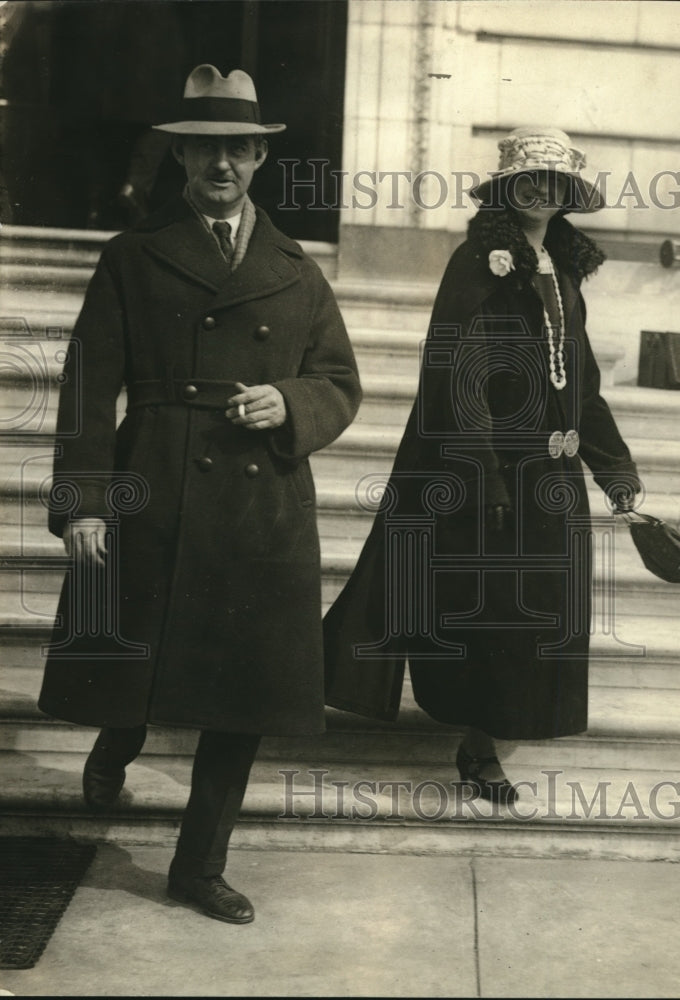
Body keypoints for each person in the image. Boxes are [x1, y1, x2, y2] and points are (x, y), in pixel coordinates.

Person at [38, 64, 362, 924]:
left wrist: (289, 401)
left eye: (238, 150)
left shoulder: (295, 269)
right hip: (157, 483)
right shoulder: (132, 256)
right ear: (180, 160)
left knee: (247, 689)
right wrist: (86, 501)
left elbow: (337, 378)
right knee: (140, 662)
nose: (221, 165)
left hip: (263, 507)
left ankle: (198, 864)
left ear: (259, 158)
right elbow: (85, 385)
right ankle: (119, 740)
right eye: (204, 150)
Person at [323, 126, 640, 803]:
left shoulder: (564, 266)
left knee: (544, 612)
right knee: (495, 612)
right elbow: (456, 371)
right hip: (489, 467)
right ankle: (481, 744)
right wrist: (484, 471)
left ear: (567, 195)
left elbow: (578, 383)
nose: (542, 191)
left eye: (554, 182)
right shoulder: (477, 259)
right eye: (529, 178)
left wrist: (615, 474)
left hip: (551, 472)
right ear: (505, 187)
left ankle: (494, 733)